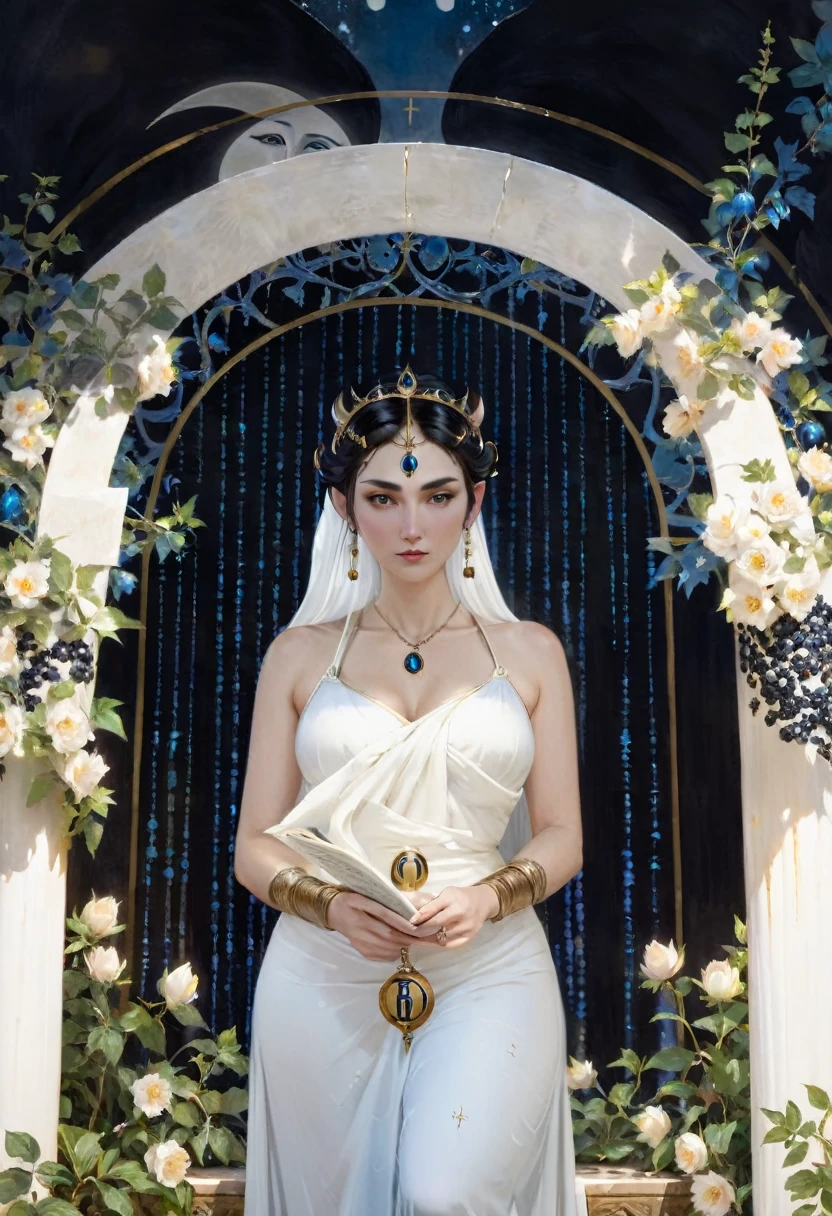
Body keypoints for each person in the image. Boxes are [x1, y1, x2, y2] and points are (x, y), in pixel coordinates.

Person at [234, 367, 585, 1215]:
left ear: (474, 502)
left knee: (442, 1192)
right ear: (347, 510)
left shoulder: (530, 653)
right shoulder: (297, 655)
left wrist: (491, 896)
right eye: (383, 497)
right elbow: (254, 845)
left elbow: (562, 834)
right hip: (324, 968)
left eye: (437, 494)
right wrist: (326, 906)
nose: (412, 522)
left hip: (487, 964)